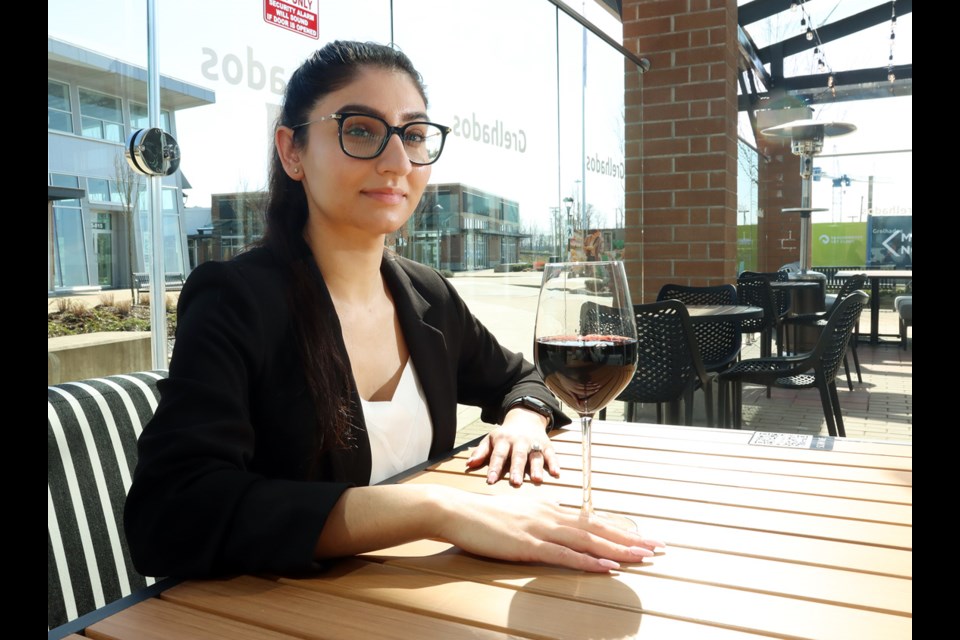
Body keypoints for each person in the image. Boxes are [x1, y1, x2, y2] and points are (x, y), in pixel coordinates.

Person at [124, 40, 663, 580]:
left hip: (413, 599)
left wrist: (525, 421)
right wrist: (435, 510)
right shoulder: (235, 299)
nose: (398, 162)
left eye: (414, 135)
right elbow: (170, 513)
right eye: (360, 129)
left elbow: (522, 377)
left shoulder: (425, 293)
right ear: (292, 150)